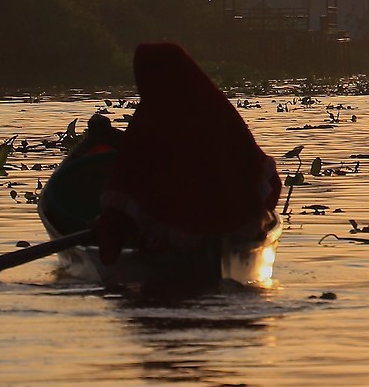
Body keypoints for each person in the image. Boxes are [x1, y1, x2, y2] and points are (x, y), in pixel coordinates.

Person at [95, 43, 281, 264]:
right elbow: (267, 179)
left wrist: (108, 234)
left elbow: (125, 186)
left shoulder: (147, 122)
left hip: (176, 234)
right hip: (237, 228)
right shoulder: (219, 111)